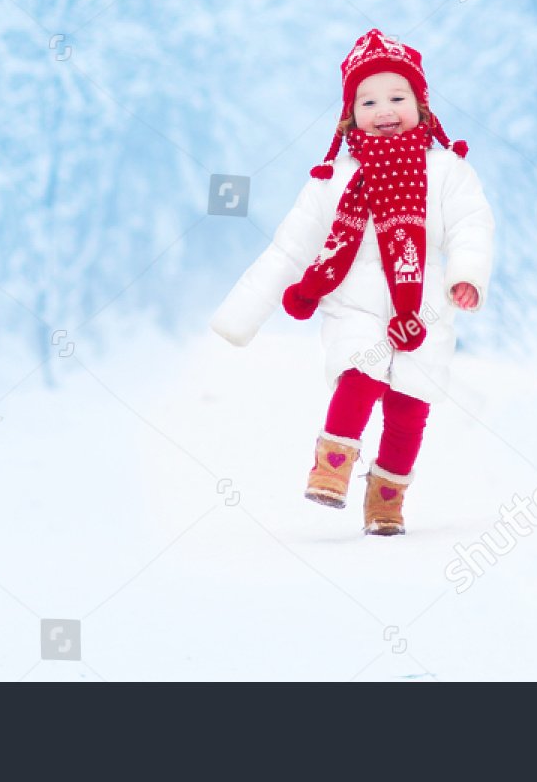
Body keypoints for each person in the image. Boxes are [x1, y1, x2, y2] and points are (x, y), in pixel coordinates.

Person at [210, 29, 496, 535]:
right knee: (358, 372)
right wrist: (241, 316)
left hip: (424, 307)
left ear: (422, 106)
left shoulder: (446, 170)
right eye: (368, 100)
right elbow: (290, 247)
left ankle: (386, 500)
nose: (384, 109)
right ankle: (332, 467)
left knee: (411, 401)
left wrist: (466, 274)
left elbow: (472, 224)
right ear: (349, 114)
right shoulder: (334, 178)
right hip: (354, 302)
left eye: (397, 97)